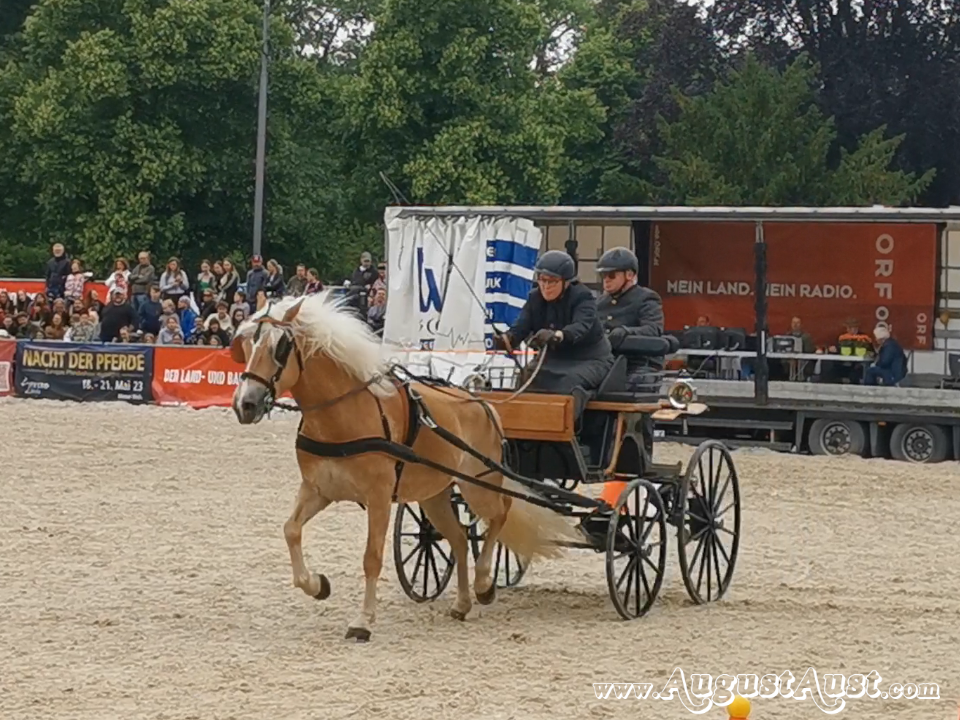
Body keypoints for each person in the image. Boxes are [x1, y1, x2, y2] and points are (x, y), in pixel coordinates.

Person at [492, 250, 613, 419]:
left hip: (589, 360)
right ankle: (522, 431)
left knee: (568, 382)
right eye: (542, 280)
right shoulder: (535, 298)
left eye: (552, 281)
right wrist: (507, 339)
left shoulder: (583, 298)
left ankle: (567, 431)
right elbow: (521, 327)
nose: (546, 286)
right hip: (552, 360)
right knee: (526, 379)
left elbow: (581, 327)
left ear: (566, 282)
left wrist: (558, 335)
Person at [594, 247, 664, 391]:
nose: (606, 280)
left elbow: (653, 329)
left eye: (611, 275)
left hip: (638, 364)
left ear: (630, 275)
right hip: (607, 362)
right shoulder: (599, 303)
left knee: (634, 384)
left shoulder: (646, 298)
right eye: (603, 275)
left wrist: (625, 332)